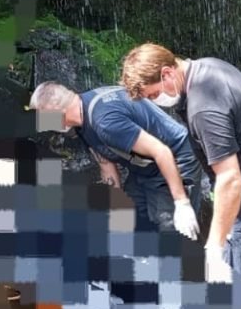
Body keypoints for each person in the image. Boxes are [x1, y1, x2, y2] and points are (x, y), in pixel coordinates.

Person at [120, 44, 241, 309]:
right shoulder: (208, 67)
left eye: (152, 95)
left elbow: (230, 179)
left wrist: (214, 247)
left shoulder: (204, 106)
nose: (156, 102)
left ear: (167, 73)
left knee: (233, 294)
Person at [27, 81, 202, 237]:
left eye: (45, 118)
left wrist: (182, 203)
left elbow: (162, 151)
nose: (45, 125)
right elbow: (106, 164)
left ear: (55, 110)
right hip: (145, 167)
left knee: (170, 227)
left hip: (175, 157)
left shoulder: (105, 121)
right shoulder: (82, 117)